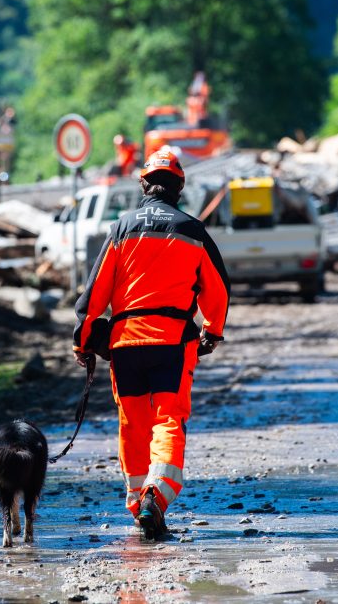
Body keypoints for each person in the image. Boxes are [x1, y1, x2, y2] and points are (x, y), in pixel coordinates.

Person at [72, 146, 230, 541]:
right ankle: (155, 498)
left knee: (133, 424)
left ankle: (139, 500)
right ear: (179, 187)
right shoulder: (192, 230)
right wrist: (212, 329)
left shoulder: (121, 228)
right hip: (172, 343)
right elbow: (218, 291)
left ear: (143, 183)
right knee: (167, 420)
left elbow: (94, 295)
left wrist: (84, 339)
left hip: (125, 345)